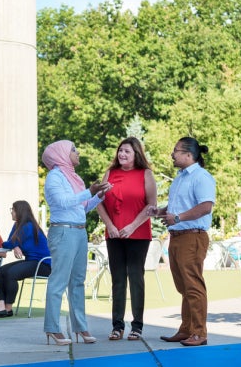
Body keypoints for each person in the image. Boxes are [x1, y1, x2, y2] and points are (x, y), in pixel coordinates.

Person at [42, 140, 112, 346]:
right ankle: (53, 328)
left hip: (79, 232)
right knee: (59, 281)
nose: (78, 152)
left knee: (78, 282)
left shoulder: (73, 177)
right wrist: (89, 191)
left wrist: (98, 196)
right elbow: (63, 202)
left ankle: (80, 327)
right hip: (63, 232)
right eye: (73, 149)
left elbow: (80, 207)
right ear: (61, 154)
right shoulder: (54, 177)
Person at [150, 137, 215, 347]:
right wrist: (160, 212)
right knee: (184, 287)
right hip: (177, 237)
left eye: (176, 151)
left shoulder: (201, 177)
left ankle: (199, 333)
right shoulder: (179, 178)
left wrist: (178, 218)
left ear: (189, 155)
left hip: (192, 237)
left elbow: (206, 206)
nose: (172, 154)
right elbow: (177, 209)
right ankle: (186, 329)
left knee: (193, 286)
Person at [96, 137, 157, 341]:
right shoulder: (110, 173)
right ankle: (117, 326)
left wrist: (132, 226)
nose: (122, 154)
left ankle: (137, 326)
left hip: (138, 234)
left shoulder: (146, 174)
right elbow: (99, 203)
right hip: (114, 234)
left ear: (136, 154)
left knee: (136, 278)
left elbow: (151, 206)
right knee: (118, 280)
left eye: (127, 151)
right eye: (120, 150)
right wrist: (111, 226)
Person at [0, 200, 51, 319]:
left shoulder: (28, 226)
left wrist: (14, 244)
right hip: (31, 261)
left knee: (11, 273)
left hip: (43, 264)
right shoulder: (17, 225)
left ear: (20, 211)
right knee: (1, 271)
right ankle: (0, 305)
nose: (11, 212)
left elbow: (10, 243)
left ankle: (8, 308)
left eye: (13, 209)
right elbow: (7, 243)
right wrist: (15, 245)